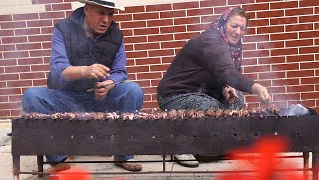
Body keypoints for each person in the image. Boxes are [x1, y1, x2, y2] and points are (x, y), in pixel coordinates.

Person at [22, 0, 144, 172]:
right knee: (32, 95)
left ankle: (124, 155)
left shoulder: (116, 35)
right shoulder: (63, 29)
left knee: (133, 90)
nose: (106, 20)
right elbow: (58, 69)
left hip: (99, 98)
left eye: (110, 14)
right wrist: (84, 71)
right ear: (87, 9)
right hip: (66, 97)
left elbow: (120, 72)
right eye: (101, 12)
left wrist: (108, 84)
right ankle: (59, 161)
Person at [157, 7, 271, 168]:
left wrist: (227, 85)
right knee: (208, 107)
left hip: (203, 92)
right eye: (234, 26)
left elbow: (222, 72)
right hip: (175, 95)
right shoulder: (211, 40)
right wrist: (255, 87)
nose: (238, 32)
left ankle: (218, 146)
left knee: (236, 99)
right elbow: (226, 70)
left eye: (243, 28)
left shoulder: (233, 45)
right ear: (223, 23)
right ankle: (181, 146)